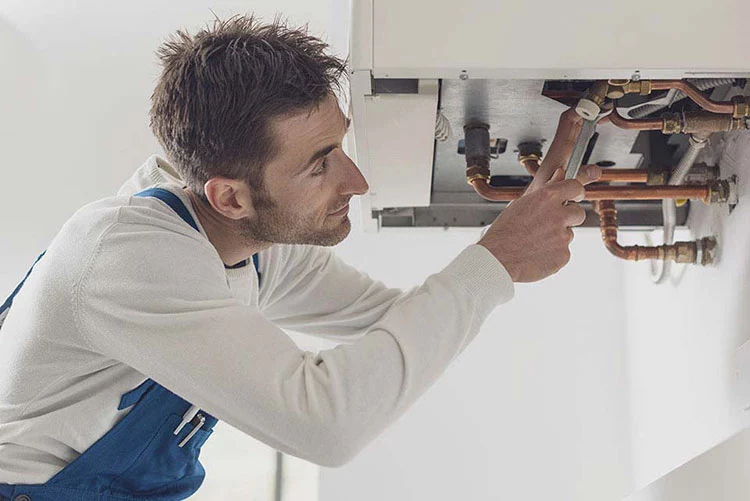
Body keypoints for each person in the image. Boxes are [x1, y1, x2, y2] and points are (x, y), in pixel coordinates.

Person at [0, 14, 600, 501]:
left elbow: (388, 319)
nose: (357, 181)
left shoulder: (248, 245)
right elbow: (326, 426)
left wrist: (501, 256)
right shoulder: (130, 258)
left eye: (340, 145)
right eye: (320, 163)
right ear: (229, 196)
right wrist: (493, 261)